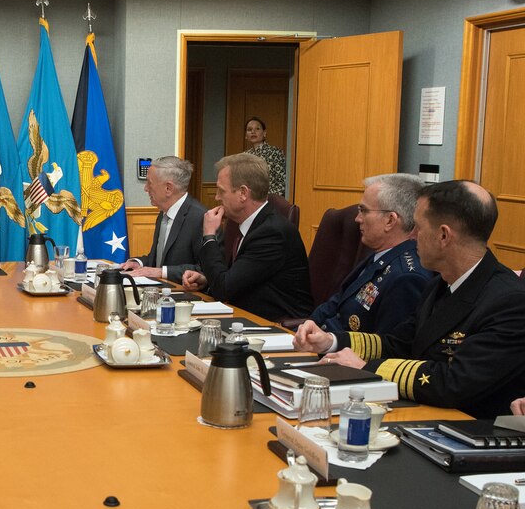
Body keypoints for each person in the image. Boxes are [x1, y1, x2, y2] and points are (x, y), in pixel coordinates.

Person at [294, 180, 525, 419]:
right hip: (427, 415)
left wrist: (366, 368)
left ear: (444, 235)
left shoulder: (509, 302)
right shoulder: (443, 282)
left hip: (471, 432)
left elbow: (454, 383)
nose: (412, 236)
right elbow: (400, 342)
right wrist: (330, 341)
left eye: (418, 228)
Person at [182, 154, 313, 321]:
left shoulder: (271, 233)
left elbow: (224, 290)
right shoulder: (250, 225)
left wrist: (209, 236)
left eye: (221, 191)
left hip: (279, 327)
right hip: (248, 317)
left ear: (243, 193)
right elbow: (239, 278)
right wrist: (208, 280)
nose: (216, 197)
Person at [308, 173, 433, 334]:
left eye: (363, 211)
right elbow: (337, 302)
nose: (357, 219)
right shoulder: (382, 255)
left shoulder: (406, 277)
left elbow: (387, 347)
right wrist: (308, 326)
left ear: (390, 220)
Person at [119, 156, 207, 282]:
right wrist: (139, 263)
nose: (145, 188)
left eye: (149, 183)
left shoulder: (200, 218)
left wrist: (161, 272)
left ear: (168, 188)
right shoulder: (163, 214)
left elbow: (204, 270)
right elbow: (159, 260)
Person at [243, 116, 286, 197]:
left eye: (257, 129)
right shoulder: (244, 156)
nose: (253, 131)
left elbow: (282, 184)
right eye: (249, 129)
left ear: (264, 133)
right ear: (246, 135)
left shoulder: (275, 153)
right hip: (248, 202)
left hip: (270, 201)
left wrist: (263, 200)